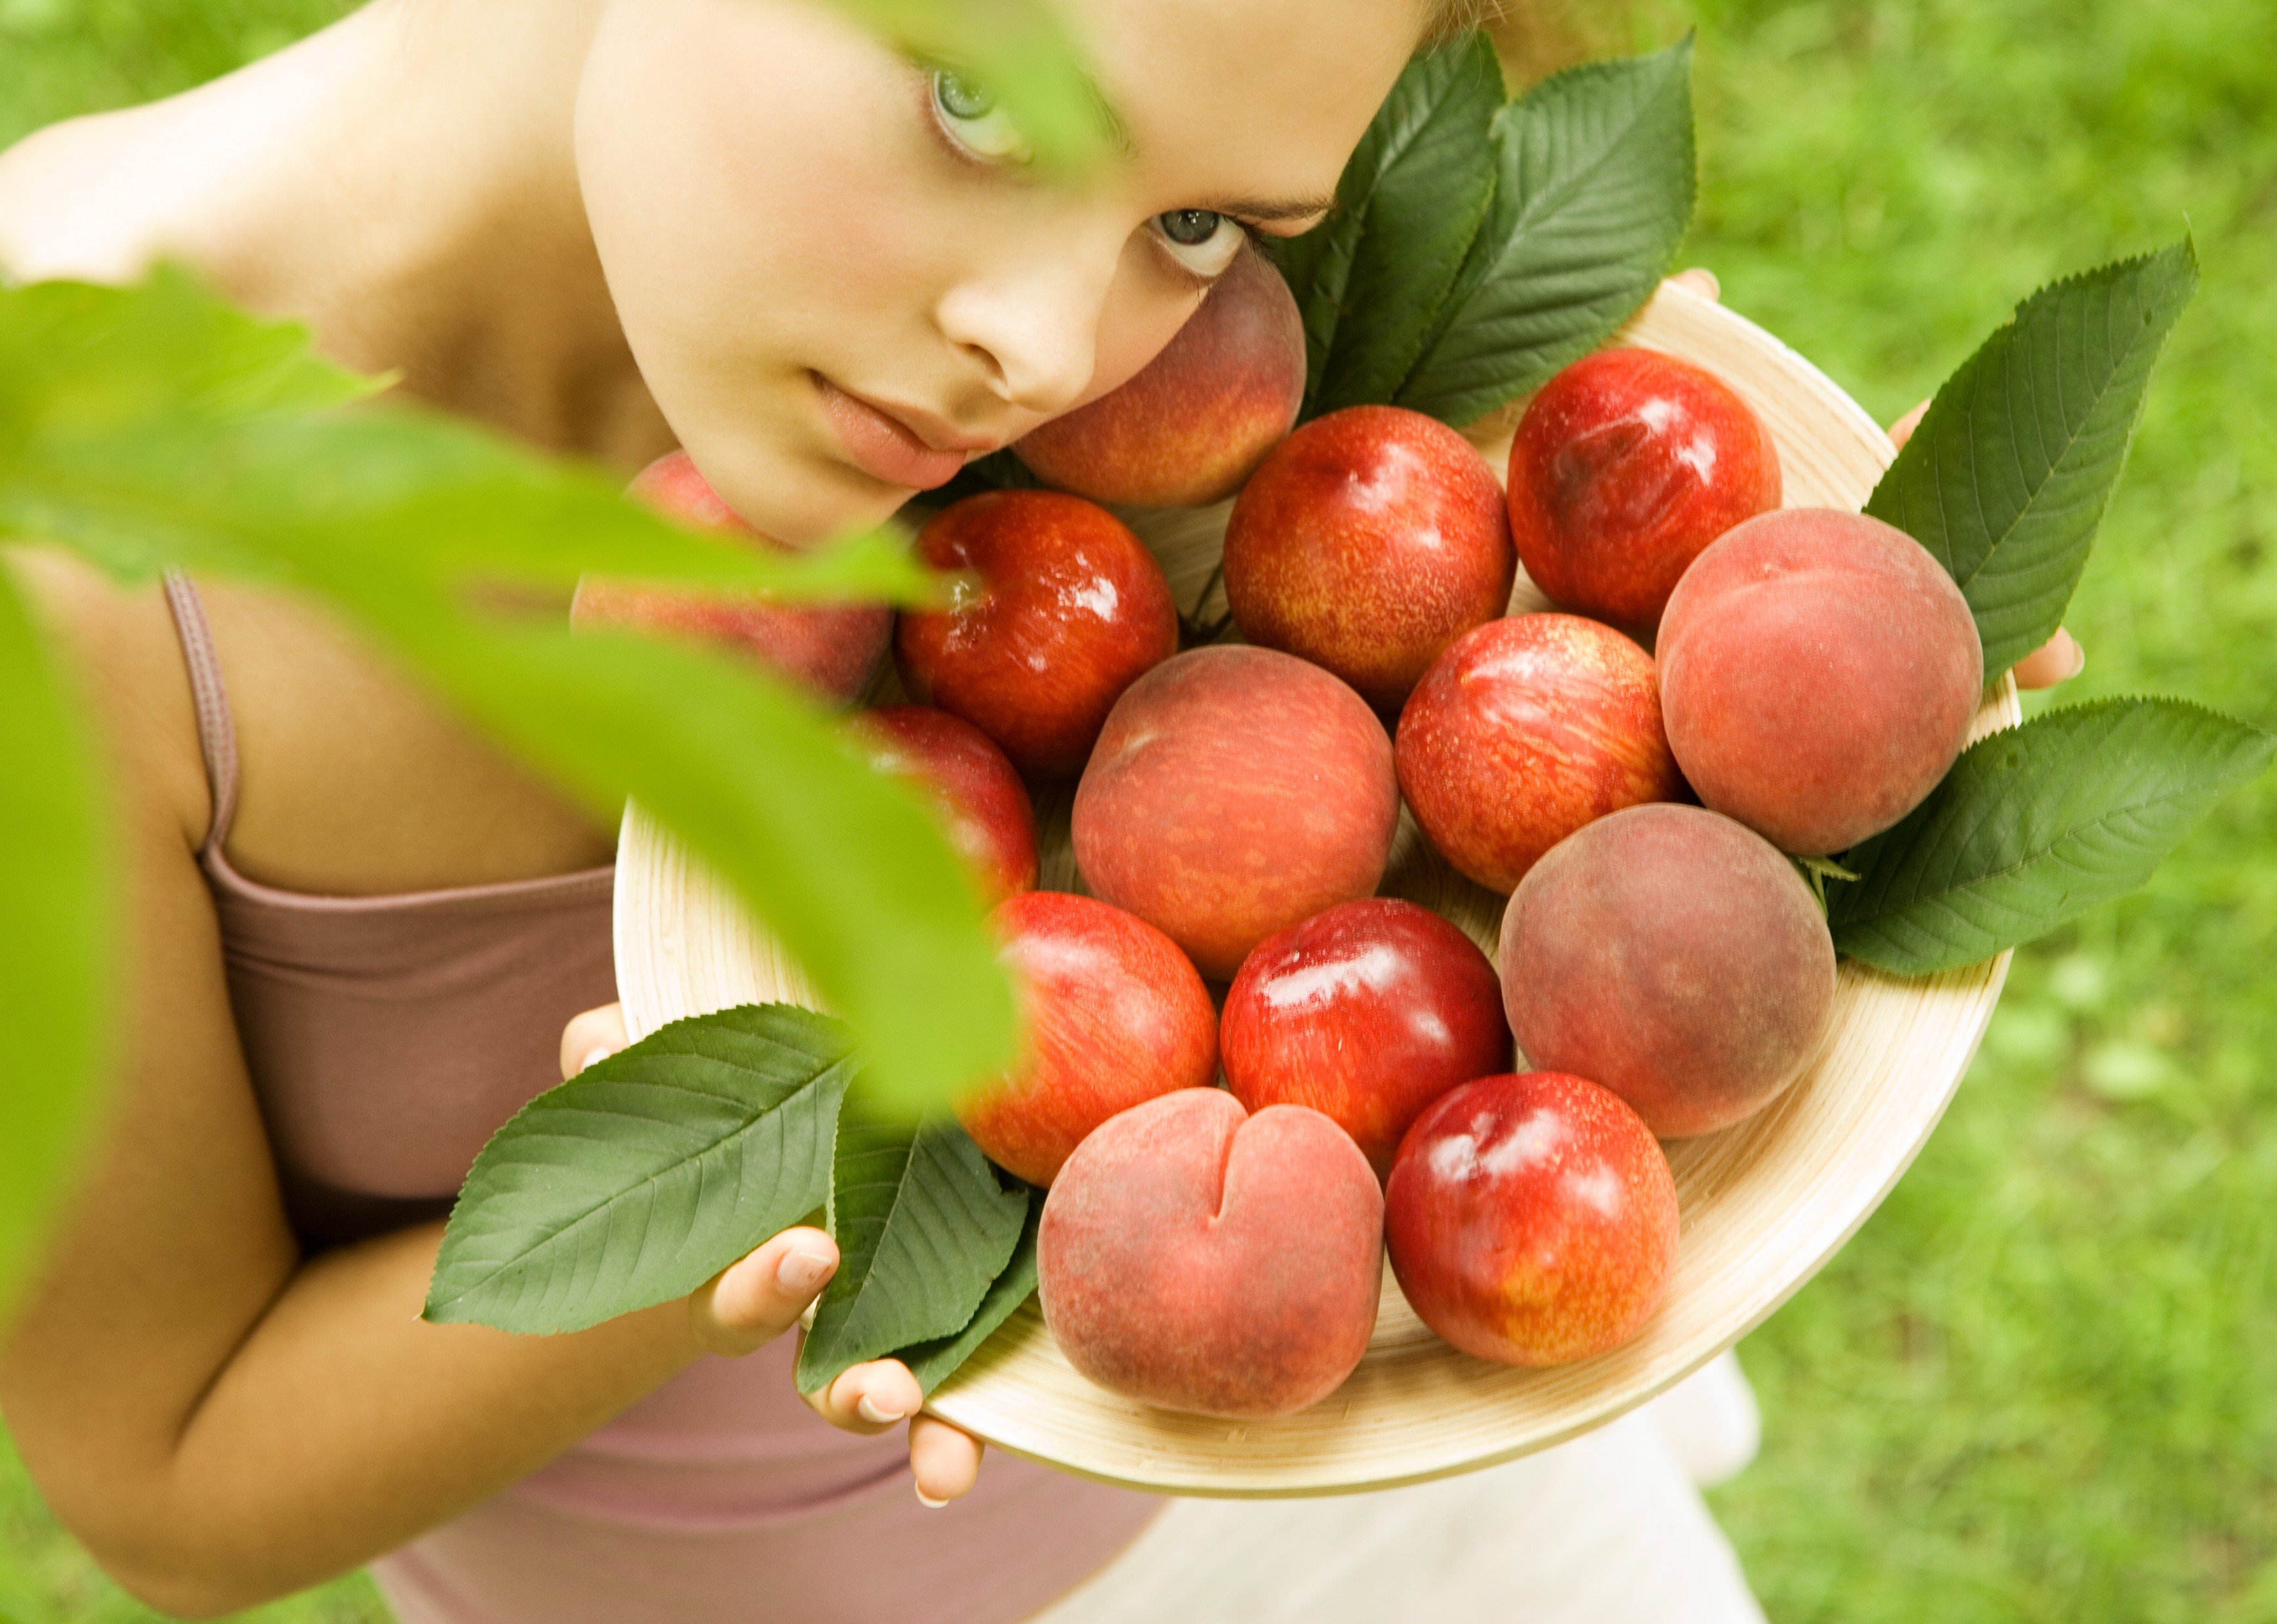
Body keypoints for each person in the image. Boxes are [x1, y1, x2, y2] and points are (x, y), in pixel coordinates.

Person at [0, 1, 2082, 1620]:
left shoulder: (1155, 207)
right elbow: (168, 1488)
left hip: (1378, 1437)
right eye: (976, 103)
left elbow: (1344, 744)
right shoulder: (60, 556)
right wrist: (733, 1184)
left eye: (1196, 224)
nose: (1038, 341)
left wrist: (1781, 700)